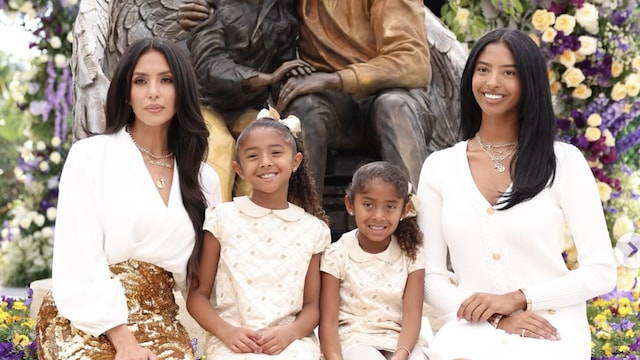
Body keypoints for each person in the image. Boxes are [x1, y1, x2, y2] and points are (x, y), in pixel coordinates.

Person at [417, 28, 617, 360]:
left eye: (508, 72)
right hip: (470, 336)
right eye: (483, 69)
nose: (491, 82)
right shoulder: (440, 167)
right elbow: (429, 275)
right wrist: (495, 316)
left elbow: (600, 271)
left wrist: (519, 298)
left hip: (550, 332)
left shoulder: (563, 163)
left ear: (529, 84)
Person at [36, 37, 222, 360]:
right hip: (85, 320)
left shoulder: (204, 179)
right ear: (126, 91)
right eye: (141, 81)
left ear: (182, 92)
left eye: (166, 80)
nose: (153, 92)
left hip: (161, 323)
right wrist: (124, 342)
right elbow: (78, 256)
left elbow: (206, 282)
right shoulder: (90, 157)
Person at [185, 113, 331, 358]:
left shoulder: (313, 230)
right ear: (239, 169)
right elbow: (197, 297)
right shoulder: (221, 218)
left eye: (276, 153)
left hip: (291, 344)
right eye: (253, 156)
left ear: (295, 161)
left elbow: (312, 307)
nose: (265, 162)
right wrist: (227, 332)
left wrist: (291, 333)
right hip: (233, 342)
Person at [276, 0, 434, 199]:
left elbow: (413, 63)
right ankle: (303, 221)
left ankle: (414, 222)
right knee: (304, 110)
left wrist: (335, 79)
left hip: (395, 96)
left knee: (394, 108)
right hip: (335, 105)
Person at [182, 0, 313, 201]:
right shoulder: (211, 5)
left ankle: (256, 224)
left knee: (265, 143)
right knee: (220, 146)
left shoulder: (283, 9)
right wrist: (267, 78)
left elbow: (283, 63)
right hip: (205, 103)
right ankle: (216, 224)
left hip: (249, 106)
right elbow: (210, 65)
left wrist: (291, 81)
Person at [319, 161, 426, 360]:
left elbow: (412, 317)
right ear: (350, 205)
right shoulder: (337, 254)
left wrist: (401, 355)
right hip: (355, 339)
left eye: (390, 207)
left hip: (400, 340)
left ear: (404, 210)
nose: (378, 216)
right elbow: (328, 322)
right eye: (368, 205)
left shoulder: (412, 253)